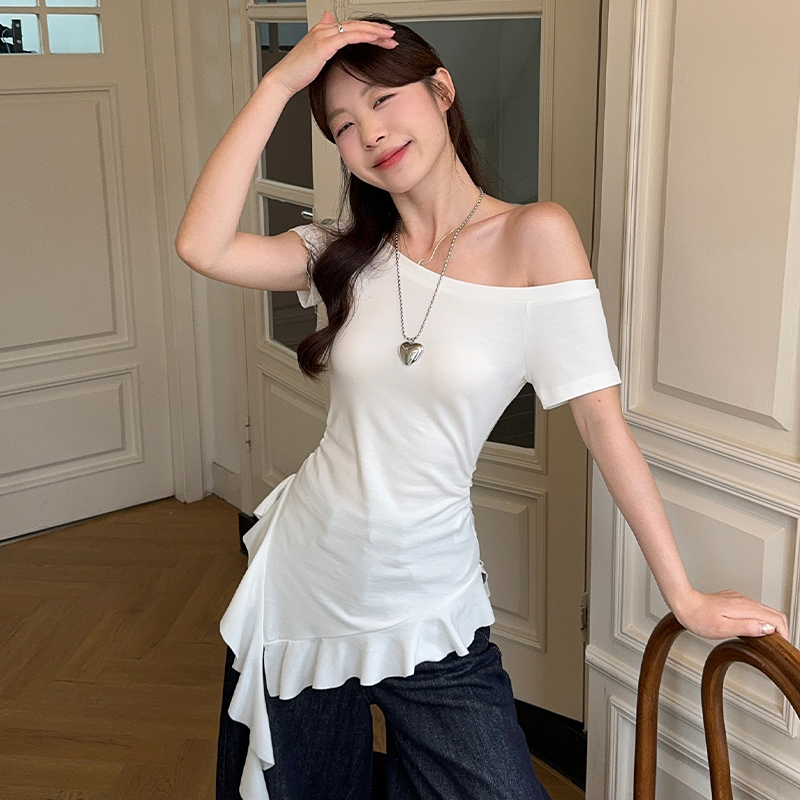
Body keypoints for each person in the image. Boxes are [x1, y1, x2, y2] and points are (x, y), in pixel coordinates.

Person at [175, 11, 789, 800]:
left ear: (441, 90)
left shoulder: (537, 237)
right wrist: (279, 83)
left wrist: (685, 595)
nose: (370, 132)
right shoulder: (342, 253)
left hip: (428, 599)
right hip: (305, 581)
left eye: (384, 100)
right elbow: (201, 245)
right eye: (344, 125)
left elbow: (601, 422)